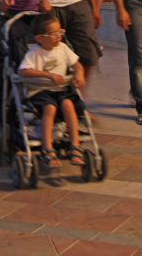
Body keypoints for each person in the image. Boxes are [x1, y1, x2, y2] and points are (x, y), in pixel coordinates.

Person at [17, 13, 87, 167]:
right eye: (53, 34)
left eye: (60, 32)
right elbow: (23, 71)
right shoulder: (35, 52)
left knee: (69, 105)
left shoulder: (63, 48)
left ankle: (74, 145)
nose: (58, 36)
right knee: (50, 107)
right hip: (40, 90)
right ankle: (47, 146)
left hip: (60, 89)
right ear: (40, 38)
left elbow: (76, 64)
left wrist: (79, 73)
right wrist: (46, 74)